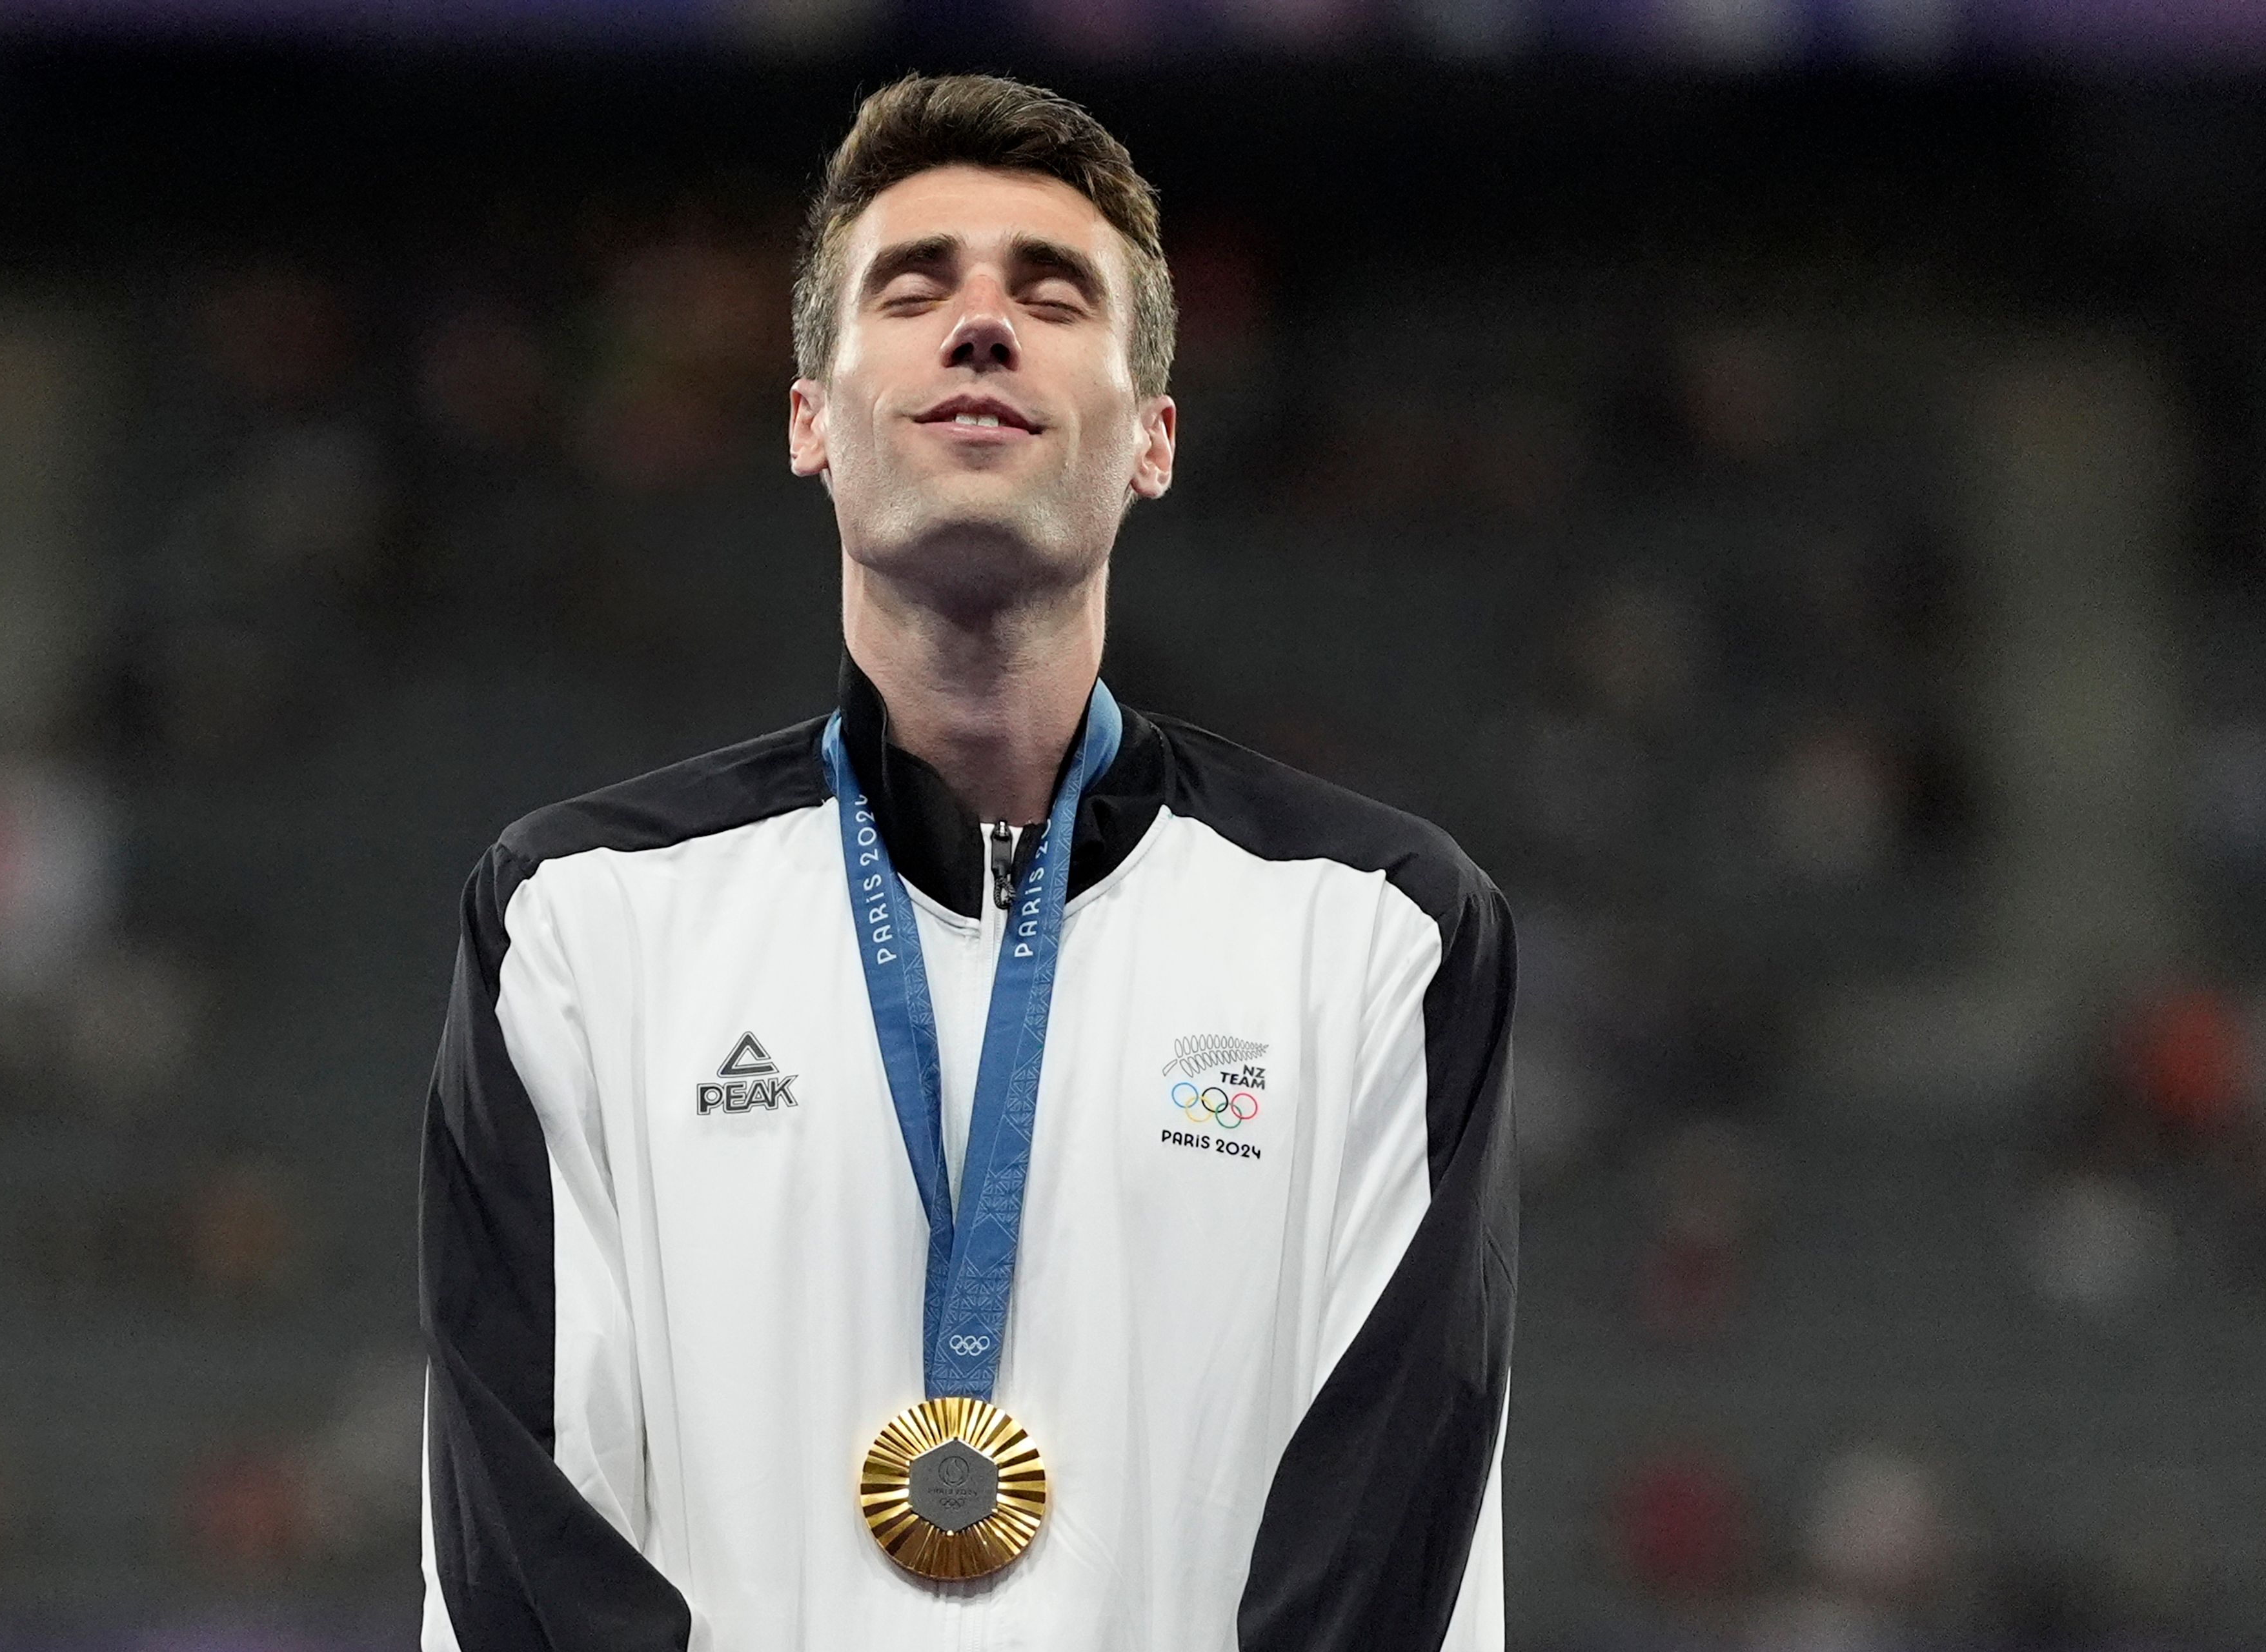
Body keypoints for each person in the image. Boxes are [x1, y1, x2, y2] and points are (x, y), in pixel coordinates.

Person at [419, 72, 1515, 1652]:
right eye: (913, 287)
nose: (982, 324)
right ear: (810, 417)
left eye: (1052, 294)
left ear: (1152, 439)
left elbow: (1390, 1546)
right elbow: (525, 1551)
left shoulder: (1377, 939)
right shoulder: (583, 926)